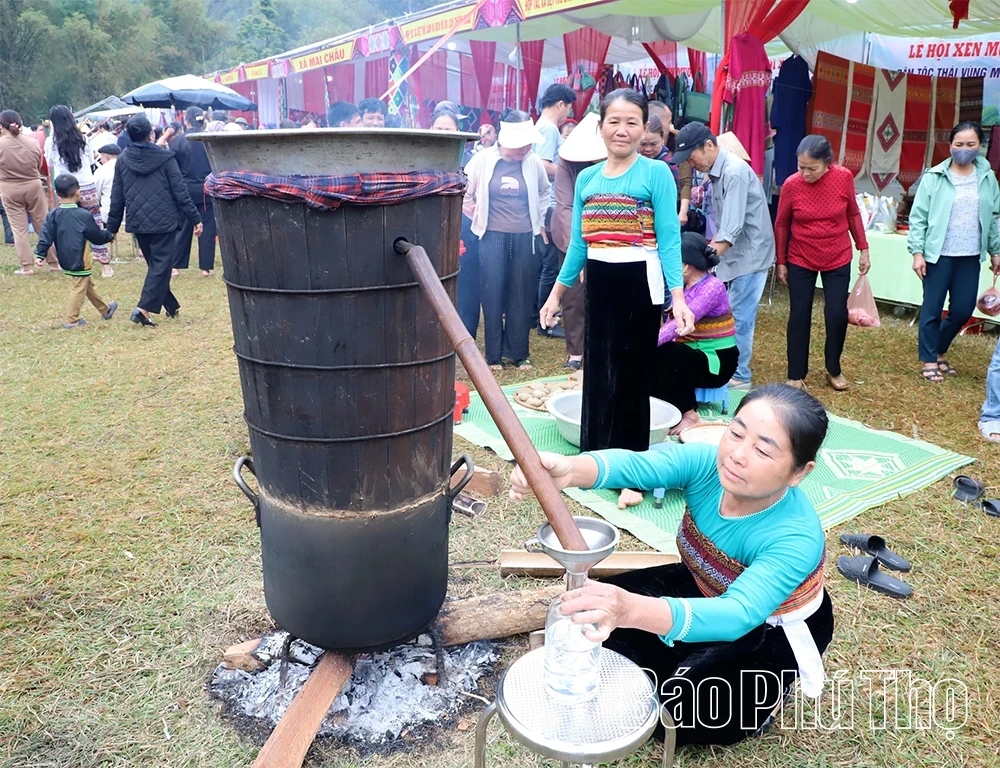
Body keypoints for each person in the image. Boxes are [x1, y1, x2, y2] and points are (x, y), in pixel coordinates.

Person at [509, 384, 834, 745]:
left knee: (690, 717)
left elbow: (739, 612)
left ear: (798, 472)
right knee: (596, 625)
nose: (738, 455)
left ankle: (766, 698)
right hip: (700, 583)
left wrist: (631, 610)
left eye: (762, 450)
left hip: (769, 627)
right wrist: (569, 469)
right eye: (736, 434)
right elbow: (638, 465)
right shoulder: (707, 466)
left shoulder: (796, 536)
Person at [540, 89, 694, 509]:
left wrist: (678, 299)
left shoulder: (655, 174)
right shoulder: (588, 178)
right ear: (600, 126)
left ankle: (630, 472)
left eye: (631, 122)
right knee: (599, 373)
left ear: (644, 127)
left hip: (639, 283)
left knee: (630, 378)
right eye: (614, 121)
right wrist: (556, 295)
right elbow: (577, 247)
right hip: (601, 282)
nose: (622, 130)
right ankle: (592, 461)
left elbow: (668, 240)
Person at [673, 122, 775, 390]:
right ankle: (727, 365)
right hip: (733, 255)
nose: (692, 164)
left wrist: (700, 266)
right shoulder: (715, 172)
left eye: (692, 158)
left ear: (708, 146)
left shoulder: (734, 172)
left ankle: (740, 375)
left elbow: (730, 230)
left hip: (750, 255)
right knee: (729, 312)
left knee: (740, 315)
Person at [775, 135, 871, 391]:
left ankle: (833, 369)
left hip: (837, 254)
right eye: (801, 167)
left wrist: (863, 248)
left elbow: (853, 213)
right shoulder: (791, 185)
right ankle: (795, 373)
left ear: (827, 163)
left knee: (836, 314)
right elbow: (782, 223)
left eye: (812, 168)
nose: (805, 173)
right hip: (801, 256)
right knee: (799, 314)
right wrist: (781, 261)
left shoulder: (843, 178)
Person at [908, 122, 1000, 382]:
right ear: (950, 146)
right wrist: (917, 252)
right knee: (932, 308)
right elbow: (918, 218)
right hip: (938, 255)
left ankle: (938, 349)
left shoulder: (987, 177)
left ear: (980, 146)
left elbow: (994, 217)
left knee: (962, 310)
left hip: (970, 256)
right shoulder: (934, 177)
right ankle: (929, 360)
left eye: (971, 144)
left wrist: (996, 250)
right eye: (958, 144)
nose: (964, 150)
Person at [463, 110, 550, 371]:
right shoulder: (483, 160)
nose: (524, 149)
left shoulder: (533, 162)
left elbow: (545, 191)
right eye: (519, 145)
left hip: (526, 235)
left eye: (527, 145)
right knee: (491, 292)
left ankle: (519, 352)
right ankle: (494, 355)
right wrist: (477, 217)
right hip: (492, 235)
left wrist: (540, 221)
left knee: (522, 292)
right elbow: (464, 192)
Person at [106, 114, 202, 327]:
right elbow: (180, 191)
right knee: (160, 266)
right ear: (151, 134)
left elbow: (117, 196)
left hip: (139, 220)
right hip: (164, 220)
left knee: (157, 266)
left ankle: (171, 305)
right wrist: (195, 217)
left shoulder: (122, 160)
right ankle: (143, 309)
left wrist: (111, 228)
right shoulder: (165, 158)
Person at [655, 233, 739, 433]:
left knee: (667, 352)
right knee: (657, 355)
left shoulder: (713, 287)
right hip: (692, 353)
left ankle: (689, 414)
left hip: (716, 361)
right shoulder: (684, 288)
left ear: (685, 265)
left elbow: (678, 325)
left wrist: (642, 345)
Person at [549, 112, 607, 370]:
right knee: (572, 295)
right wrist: (579, 252)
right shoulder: (566, 162)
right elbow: (564, 206)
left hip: (609, 235)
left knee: (603, 293)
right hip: (570, 234)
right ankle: (575, 352)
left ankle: (600, 347)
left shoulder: (617, 158)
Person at [34, 174, 118, 329]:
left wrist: (40, 254)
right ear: (79, 192)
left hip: (65, 257)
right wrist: (109, 235)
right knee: (79, 286)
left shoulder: (53, 214)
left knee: (86, 284)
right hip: (80, 258)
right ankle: (71, 320)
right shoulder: (83, 215)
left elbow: (45, 234)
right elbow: (96, 236)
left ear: (58, 193)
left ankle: (105, 310)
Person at [46, 106, 112, 278]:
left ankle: (73, 263)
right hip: (86, 186)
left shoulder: (51, 142)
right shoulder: (84, 139)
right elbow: (91, 160)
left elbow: (51, 164)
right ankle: (105, 265)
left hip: (65, 187)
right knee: (95, 222)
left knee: (68, 226)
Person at [533, 83, 577, 340]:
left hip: (545, 205)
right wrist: (566, 172)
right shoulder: (549, 129)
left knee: (547, 264)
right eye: (568, 106)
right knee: (551, 265)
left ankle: (540, 317)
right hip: (551, 204)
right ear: (560, 104)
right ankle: (545, 321)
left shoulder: (539, 126)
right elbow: (543, 164)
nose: (567, 112)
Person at [0, 109, 58, 274]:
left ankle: (27, 266)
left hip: (9, 188)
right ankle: (53, 262)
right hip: (33, 185)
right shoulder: (32, 142)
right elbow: (38, 165)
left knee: (19, 229)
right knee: (43, 225)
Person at [170, 107, 217, 277]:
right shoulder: (209, 139)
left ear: (187, 120)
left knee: (182, 226)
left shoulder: (178, 141)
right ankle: (205, 268)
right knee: (208, 228)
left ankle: (175, 266)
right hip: (206, 187)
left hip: (185, 189)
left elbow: (172, 167)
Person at [639, 115, 692, 225]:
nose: (648, 149)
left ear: (663, 139)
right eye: (643, 144)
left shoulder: (668, 166)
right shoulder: (633, 161)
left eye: (654, 144)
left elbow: (668, 201)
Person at [92, 143, 121, 226]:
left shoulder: (101, 171)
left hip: (109, 216)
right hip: (130, 215)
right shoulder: (128, 167)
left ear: (106, 157)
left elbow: (96, 195)